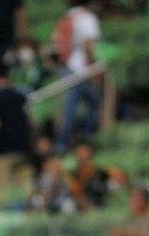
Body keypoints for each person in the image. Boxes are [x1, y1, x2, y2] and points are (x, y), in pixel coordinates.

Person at [55, 1, 103, 152]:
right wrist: (92, 68)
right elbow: (89, 45)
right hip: (81, 69)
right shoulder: (88, 18)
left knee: (75, 105)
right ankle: (77, 139)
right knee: (89, 103)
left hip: (66, 67)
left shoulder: (69, 15)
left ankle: (69, 141)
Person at [0, 62, 34, 189]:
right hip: (22, 149)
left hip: (4, 151)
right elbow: (30, 121)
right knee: (24, 188)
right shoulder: (21, 96)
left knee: (5, 190)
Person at [67, 143, 125, 210]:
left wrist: (118, 177)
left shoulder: (101, 171)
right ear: (76, 158)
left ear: (91, 156)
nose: (83, 156)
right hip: (88, 207)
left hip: (104, 201)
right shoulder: (74, 177)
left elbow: (121, 176)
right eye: (80, 155)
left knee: (114, 184)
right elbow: (79, 197)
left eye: (86, 155)